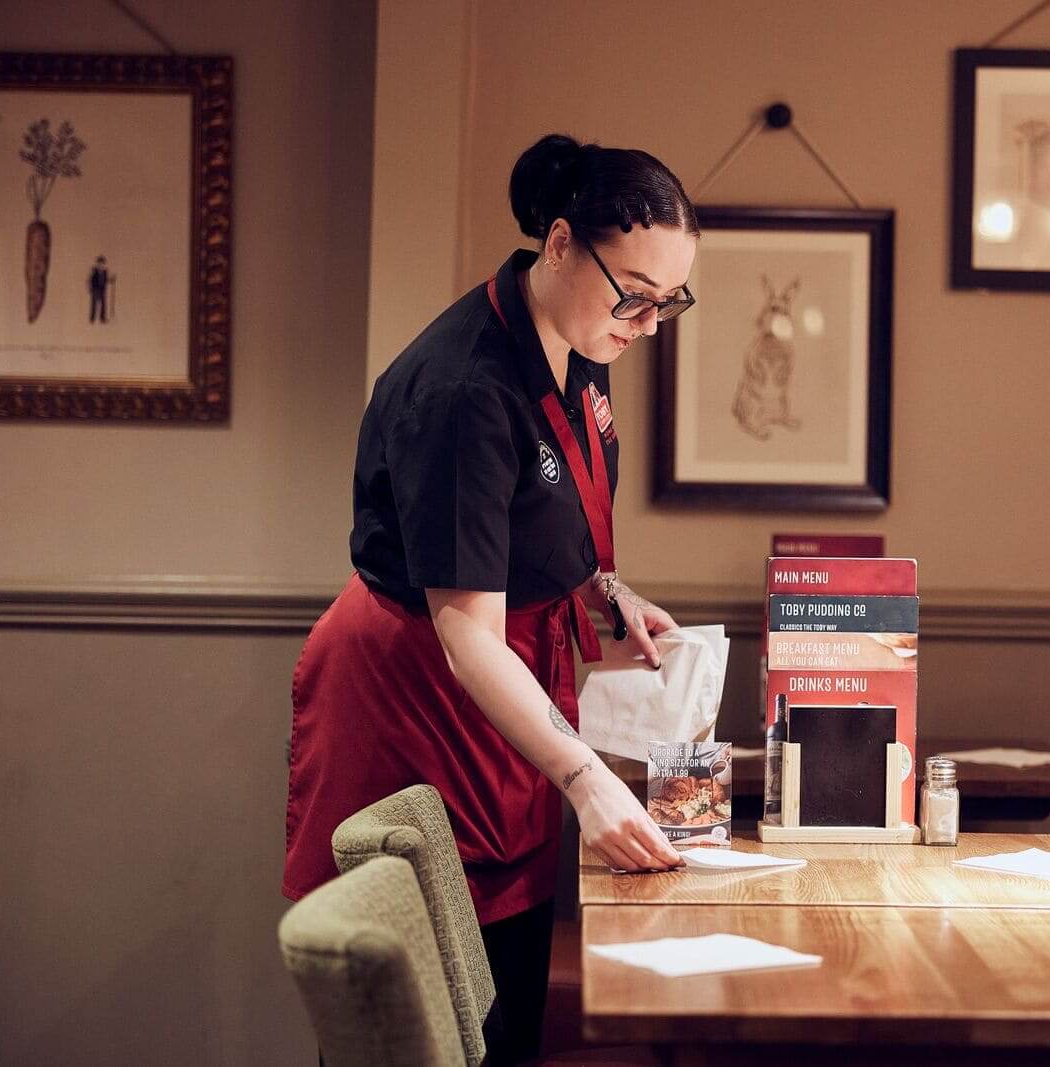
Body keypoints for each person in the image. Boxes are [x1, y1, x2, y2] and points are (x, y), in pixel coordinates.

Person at [283, 133, 700, 1063]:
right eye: (632, 291)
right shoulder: (465, 386)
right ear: (559, 242)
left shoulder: (581, 340)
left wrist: (605, 588)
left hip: (507, 672)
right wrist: (586, 776)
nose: (645, 320)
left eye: (668, 301)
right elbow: (466, 633)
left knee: (509, 981)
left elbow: (540, 509)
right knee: (429, 989)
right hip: (417, 688)